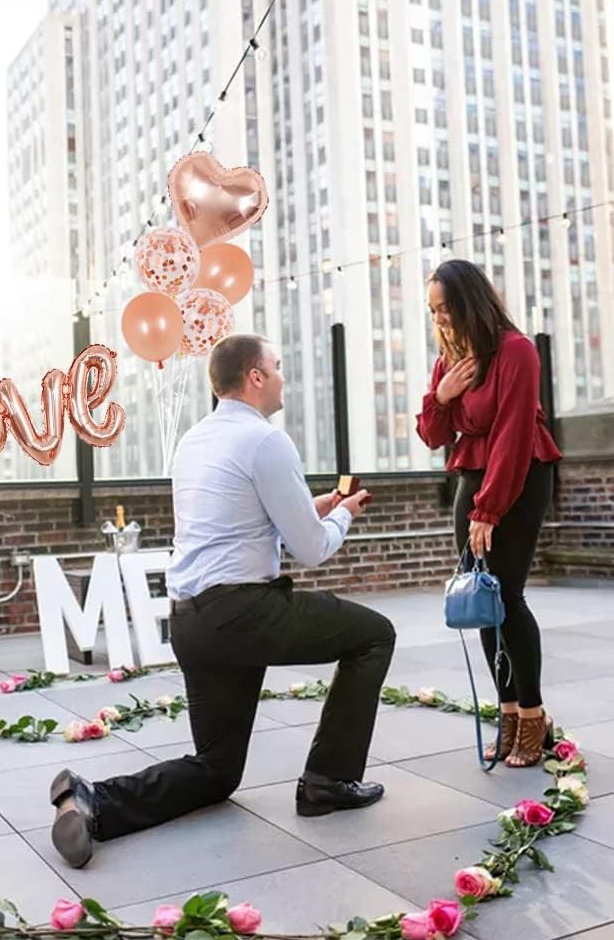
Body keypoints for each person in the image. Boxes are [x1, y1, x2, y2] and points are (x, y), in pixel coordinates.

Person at [48, 333, 394, 868]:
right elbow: (312, 550)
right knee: (374, 636)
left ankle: (92, 801)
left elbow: (236, 524)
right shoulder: (266, 440)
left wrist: (313, 507)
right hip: (244, 614)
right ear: (255, 376)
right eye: (277, 366)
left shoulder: (195, 440)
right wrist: (343, 515)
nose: (282, 376)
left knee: (217, 770)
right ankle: (328, 781)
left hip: (191, 620)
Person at [416, 259, 562, 768]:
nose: (440, 319)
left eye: (446, 308)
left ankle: (533, 716)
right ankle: (507, 714)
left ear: (470, 302)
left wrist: (489, 509)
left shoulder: (516, 351)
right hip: (473, 477)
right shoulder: (449, 362)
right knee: (480, 599)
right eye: (433, 311)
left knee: (508, 596)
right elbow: (434, 435)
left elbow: (514, 433)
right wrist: (440, 396)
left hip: (519, 476)